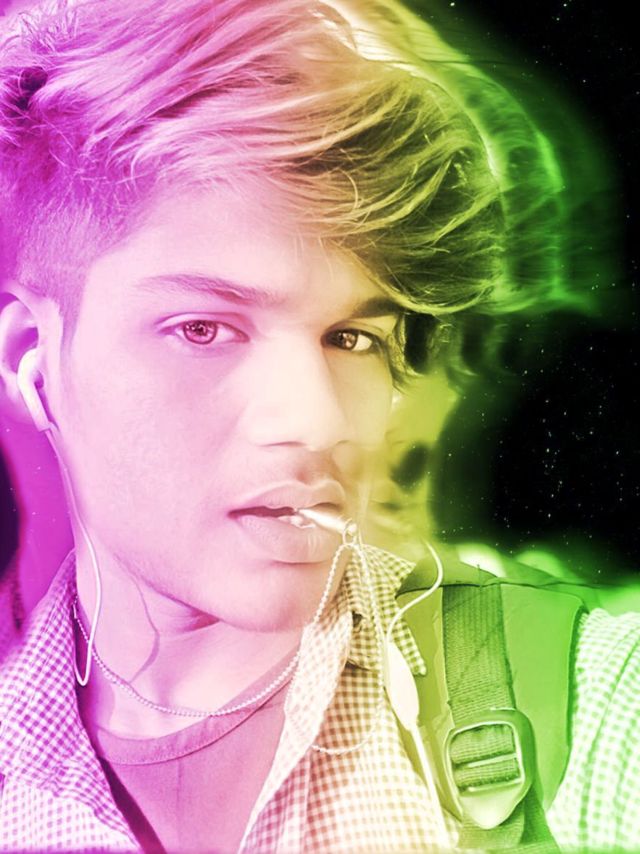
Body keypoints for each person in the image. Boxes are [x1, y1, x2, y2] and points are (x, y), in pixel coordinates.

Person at [0, 1, 637, 852]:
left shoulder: (589, 698)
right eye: (204, 329)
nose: (318, 419)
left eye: (353, 337)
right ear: (34, 360)